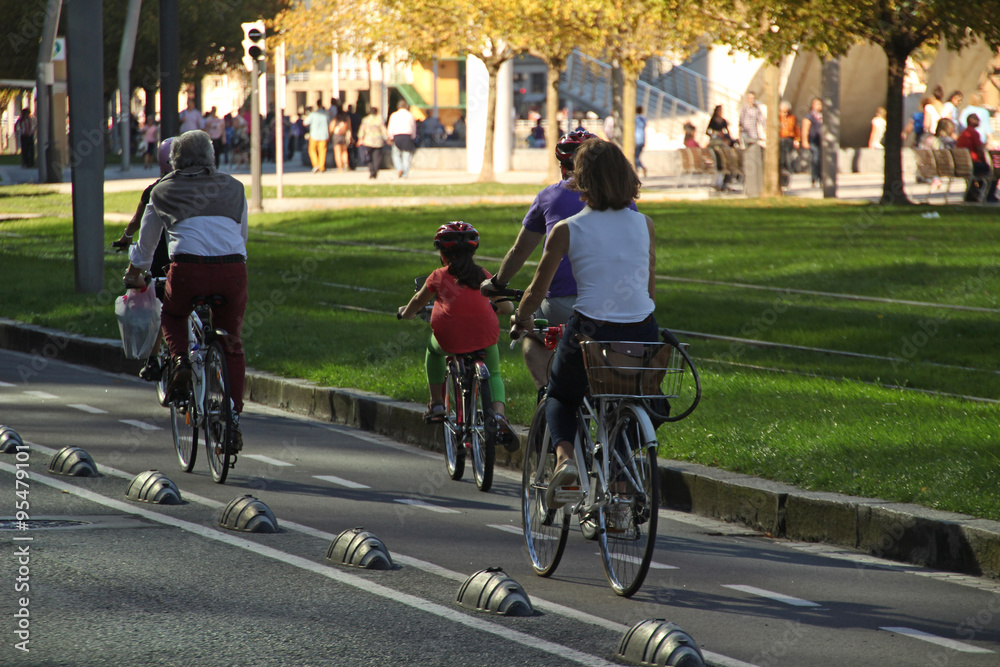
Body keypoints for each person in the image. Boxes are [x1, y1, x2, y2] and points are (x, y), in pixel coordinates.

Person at [510, 138, 657, 508]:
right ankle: (621, 472)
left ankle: (566, 462)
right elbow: (648, 287)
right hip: (642, 332)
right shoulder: (645, 224)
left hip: (589, 331)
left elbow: (535, 289)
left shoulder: (568, 229)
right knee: (648, 400)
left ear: (580, 180)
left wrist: (522, 317)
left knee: (560, 394)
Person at [122, 130, 250, 451]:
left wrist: (133, 272)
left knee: (173, 313)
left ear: (175, 160)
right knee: (231, 344)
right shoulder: (235, 187)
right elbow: (241, 236)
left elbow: (146, 247)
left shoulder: (162, 190)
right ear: (211, 157)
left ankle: (179, 360)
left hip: (188, 270)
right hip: (233, 270)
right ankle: (232, 420)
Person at [482, 130, 634, 398]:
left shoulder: (549, 197)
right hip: (618, 302)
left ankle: (547, 395)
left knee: (529, 333)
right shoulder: (626, 202)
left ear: (563, 165)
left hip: (563, 302)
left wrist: (498, 283)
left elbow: (520, 251)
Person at [397, 222, 517, 450]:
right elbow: (508, 308)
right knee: (494, 372)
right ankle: (499, 416)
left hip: (449, 339)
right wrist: (495, 308)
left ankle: (437, 404)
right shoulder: (483, 275)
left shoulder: (438, 276)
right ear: (473, 251)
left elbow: (418, 302)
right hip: (484, 335)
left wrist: (407, 313)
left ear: (442, 253)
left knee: (433, 351)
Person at [113, 137, 175, 380]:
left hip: (156, 258)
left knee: (164, 308)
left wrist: (126, 238)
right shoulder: (189, 188)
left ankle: (152, 359)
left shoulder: (152, 191)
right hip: (185, 256)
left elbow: (136, 222)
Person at [955, 115, 998, 203]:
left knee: (984, 172)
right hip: (972, 164)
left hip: (962, 165)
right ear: (975, 122)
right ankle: (989, 196)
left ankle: (974, 194)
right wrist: (984, 161)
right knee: (994, 172)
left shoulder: (963, 134)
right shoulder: (973, 133)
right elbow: (980, 150)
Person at [387, 100, 417, 178]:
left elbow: (390, 127)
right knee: (406, 156)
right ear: (406, 106)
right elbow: (413, 127)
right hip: (407, 136)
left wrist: (390, 137)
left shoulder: (394, 115)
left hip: (397, 136)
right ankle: (405, 173)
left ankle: (399, 168)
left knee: (395, 154)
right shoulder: (410, 115)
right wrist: (413, 136)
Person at [357, 107, 387, 179]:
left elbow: (362, 130)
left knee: (368, 157)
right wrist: (387, 138)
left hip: (368, 141)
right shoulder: (379, 120)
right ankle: (375, 172)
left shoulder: (366, 120)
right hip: (378, 141)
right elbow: (383, 130)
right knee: (377, 158)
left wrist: (360, 139)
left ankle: (371, 170)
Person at [801, 97, 823, 187]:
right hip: (813, 140)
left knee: (822, 161)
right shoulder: (809, 116)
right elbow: (805, 128)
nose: (819, 106)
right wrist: (805, 140)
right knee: (816, 159)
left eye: (820, 104)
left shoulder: (822, 116)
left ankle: (822, 179)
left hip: (822, 141)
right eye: (817, 104)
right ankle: (814, 179)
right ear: (812, 105)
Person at [306, 100, 330, 173]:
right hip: (323, 135)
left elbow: (305, 122)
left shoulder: (313, 114)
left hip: (314, 134)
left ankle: (316, 164)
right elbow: (329, 122)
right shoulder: (326, 114)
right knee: (322, 151)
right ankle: (322, 166)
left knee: (312, 150)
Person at [778, 101, 799, 172]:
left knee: (789, 155)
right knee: (781, 155)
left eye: (787, 112)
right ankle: (782, 168)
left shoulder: (792, 118)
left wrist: (797, 140)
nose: (785, 114)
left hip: (789, 138)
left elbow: (796, 129)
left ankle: (789, 169)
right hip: (780, 138)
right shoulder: (777, 119)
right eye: (783, 112)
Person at [329, 107, 352, 172]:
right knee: (344, 151)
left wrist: (329, 135)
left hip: (336, 137)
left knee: (337, 152)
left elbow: (331, 128)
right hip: (343, 136)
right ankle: (346, 164)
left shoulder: (335, 118)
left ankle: (340, 168)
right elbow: (349, 128)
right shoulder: (346, 118)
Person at [634, 106, 647, 178]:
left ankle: (641, 168)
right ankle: (638, 169)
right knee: (637, 156)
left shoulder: (635, 120)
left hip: (636, 140)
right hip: (642, 140)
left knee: (636, 157)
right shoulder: (644, 119)